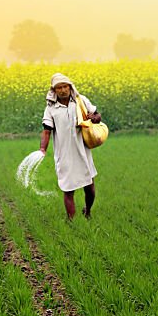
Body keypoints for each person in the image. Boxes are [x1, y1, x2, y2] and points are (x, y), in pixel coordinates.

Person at [39, 73, 102, 220]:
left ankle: (88, 212)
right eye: (58, 88)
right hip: (64, 154)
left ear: (70, 87)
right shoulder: (51, 108)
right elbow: (46, 131)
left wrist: (94, 118)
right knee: (68, 190)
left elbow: (97, 116)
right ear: (54, 91)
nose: (62, 90)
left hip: (83, 151)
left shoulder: (80, 101)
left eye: (65, 86)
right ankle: (72, 222)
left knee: (90, 188)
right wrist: (43, 149)